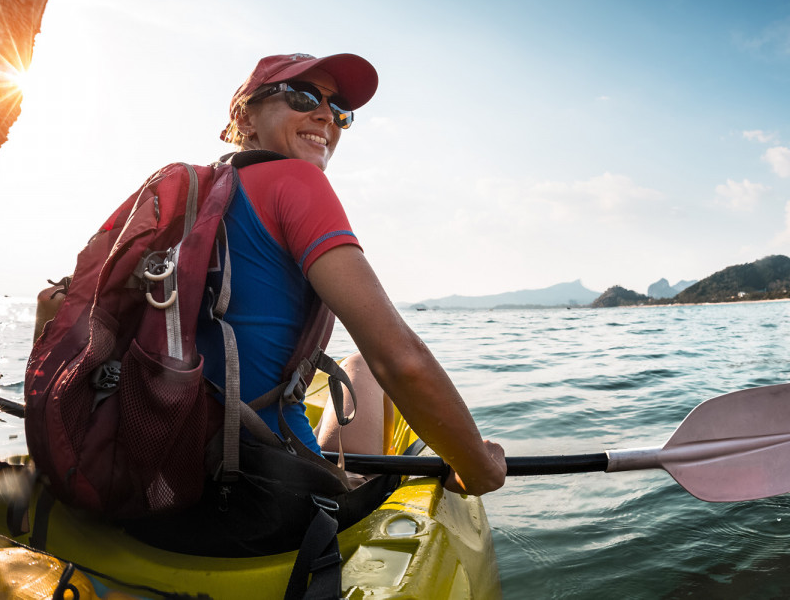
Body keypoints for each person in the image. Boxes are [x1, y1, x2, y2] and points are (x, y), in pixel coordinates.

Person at [37, 52, 505, 498]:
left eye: (339, 108)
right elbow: (399, 359)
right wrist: (476, 467)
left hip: (150, 468)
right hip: (259, 491)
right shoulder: (298, 183)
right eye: (303, 96)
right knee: (368, 369)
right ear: (244, 118)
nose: (326, 115)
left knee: (357, 367)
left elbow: (56, 309)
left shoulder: (191, 201)